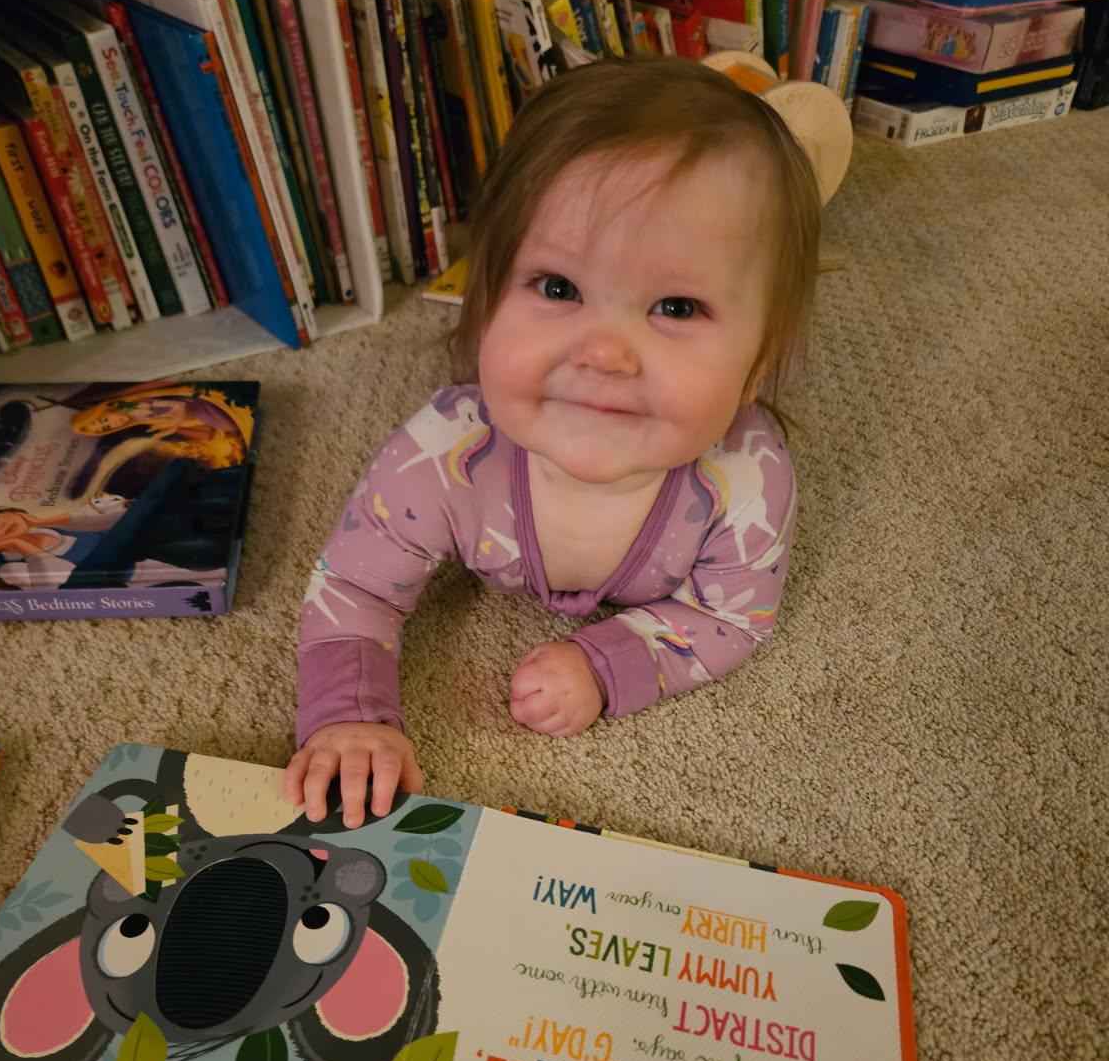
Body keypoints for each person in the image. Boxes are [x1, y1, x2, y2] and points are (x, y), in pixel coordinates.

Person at [284, 57, 823, 828]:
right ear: (485, 302)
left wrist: (608, 664)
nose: (604, 355)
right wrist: (349, 715)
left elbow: (732, 618)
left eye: (675, 307)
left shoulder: (747, 479)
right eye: (559, 288)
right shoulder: (445, 457)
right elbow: (354, 586)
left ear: (756, 366)